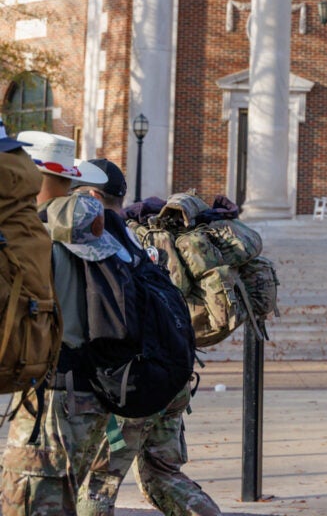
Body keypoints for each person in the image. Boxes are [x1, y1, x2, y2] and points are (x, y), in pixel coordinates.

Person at [76, 158, 223, 516]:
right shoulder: (140, 238)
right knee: (162, 475)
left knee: (97, 484)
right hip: (171, 377)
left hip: (132, 387)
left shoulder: (99, 244)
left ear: (93, 197)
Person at [1, 192, 122, 515]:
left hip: (52, 396)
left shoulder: (48, 255)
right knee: (64, 496)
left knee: (28, 499)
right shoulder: (109, 257)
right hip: (92, 396)